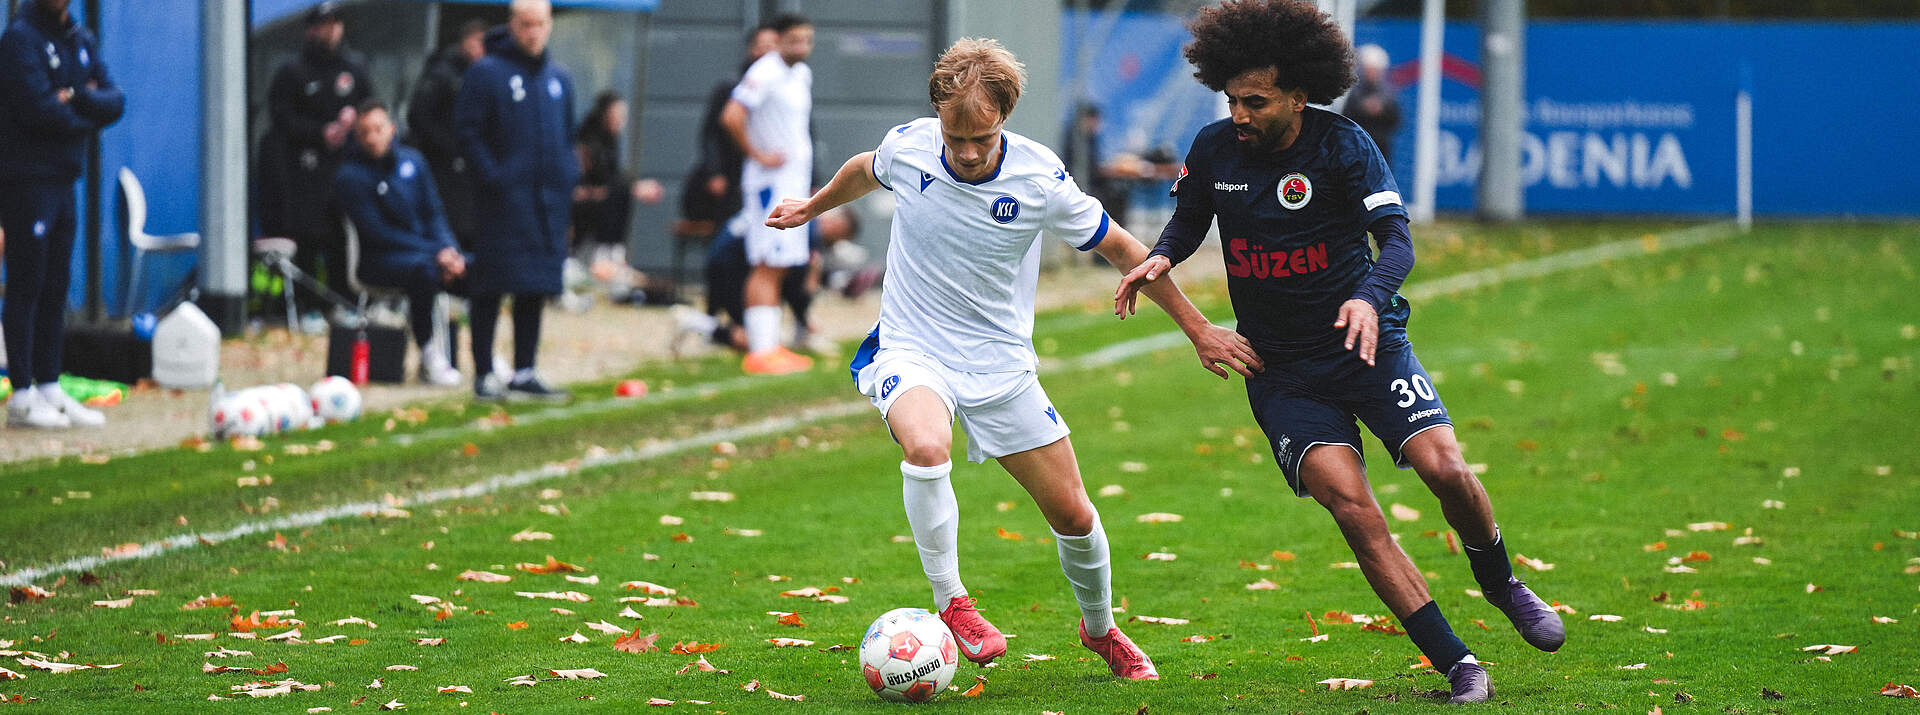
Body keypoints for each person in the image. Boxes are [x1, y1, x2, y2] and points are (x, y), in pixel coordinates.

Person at [765, 37, 1256, 681]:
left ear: (1006, 119)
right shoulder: (909, 145)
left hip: (999, 365)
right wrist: (812, 205)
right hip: (911, 347)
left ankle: (1101, 628)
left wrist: (1197, 329)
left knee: (1075, 514)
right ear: (937, 115)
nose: (967, 152)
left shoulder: (1039, 177)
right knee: (925, 447)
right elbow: (865, 167)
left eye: (983, 138)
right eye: (955, 137)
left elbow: (1126, 249)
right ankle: (954, 603)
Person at [1114, 1, 1563, 703]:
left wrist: (1366, 297)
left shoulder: (1344, 144)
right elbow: (1188, 222)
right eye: (1231, 98)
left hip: (1367, 346)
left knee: (1444, 467)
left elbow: (1399, 242)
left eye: (1254, 101)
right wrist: (1159, 259)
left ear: (1299, 93)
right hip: (1282, 371)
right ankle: (1458, 663)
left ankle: (1500, 578)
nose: (1239, 112)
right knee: (1354, 508)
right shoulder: (1213, 149)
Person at [0, 0, 122, 429]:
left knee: (56, 284)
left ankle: (50, 384)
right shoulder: (19, 39)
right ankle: (22, 393)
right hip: (26, 178)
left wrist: (77, 98)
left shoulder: (79, 36)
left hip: (65, 177)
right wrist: (85, 112)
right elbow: (36, 109)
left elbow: (114, 99)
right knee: (26, 282)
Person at [454, 0, 577, 401]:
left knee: (534, 287)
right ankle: (485, 373)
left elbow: (567, 136)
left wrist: (566, 180)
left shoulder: (559, 78)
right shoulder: (487, 72)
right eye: (525, 24)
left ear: (550, 24)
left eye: (539, 24)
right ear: (511, 25)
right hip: (501, 204)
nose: (533, 32)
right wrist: (494, 177)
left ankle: (525, 370)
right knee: (490, 286)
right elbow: (467, 133)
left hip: (547, 205)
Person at [334, 101, 469, 387]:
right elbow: (378, 234)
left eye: (378, 129)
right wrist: (435, 254)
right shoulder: (350, 177)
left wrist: (449, 250)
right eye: (365, 132)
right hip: (377, 260)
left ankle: (487, 355)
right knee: (423, 272)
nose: (372, 137)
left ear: (392, 129)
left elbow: (434, 213)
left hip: (426, 254)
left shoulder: (414, 162)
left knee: (478, 268)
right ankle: (430, 355)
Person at [258, 1, 372, 324]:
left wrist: (356, 120)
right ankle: (308, 307)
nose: (332, 30)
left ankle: (343, 303)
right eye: (325, 24)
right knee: (307, 239)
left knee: (341, 240)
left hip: (346, 172)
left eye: (337, 23)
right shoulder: (293, 71)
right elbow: (281, 119)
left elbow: (373, 108)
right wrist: (322, 132)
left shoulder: (355, 68)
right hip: (303, 173)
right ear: (311, 29)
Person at [721, 12, 816, 375]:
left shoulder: (801, 74)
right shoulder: (764, 71)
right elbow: (732, 115)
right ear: (777, 40)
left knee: (780, 265)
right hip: (768, 183)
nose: (801, 47)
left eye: (807, 40)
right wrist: (758, 154)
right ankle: (761, 351)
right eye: (794, 40)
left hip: (792, 181)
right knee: (766, 261)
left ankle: (771, 346)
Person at [688, 206, 858, 354]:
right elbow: (798, 285)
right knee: (761, 340)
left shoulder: (797, 213)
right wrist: (804, 321)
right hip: (734, 268)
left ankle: (706, 326)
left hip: (723, 260)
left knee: (762, 332)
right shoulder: (809, 228)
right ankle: (695, 324)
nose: (834, 243)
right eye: (840, 236)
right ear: (837, 225)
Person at [681, 25, 778, 228]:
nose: (768, 53)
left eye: (773, 46)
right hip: (732, 178)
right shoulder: (731, 87)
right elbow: (713, 132)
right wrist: (714, 171)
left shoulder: (788, 87)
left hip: (770, 176)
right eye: (763, 46)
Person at [571, 90, 663, 301]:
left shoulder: (611, 141)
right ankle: (604, 256)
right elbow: (595, 180)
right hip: (582, 203)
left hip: (602, 200)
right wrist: (632, 187)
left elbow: (612, 178)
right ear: (605, 114)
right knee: (619, 193)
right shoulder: (587, 139)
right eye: (617, 114)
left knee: (621, 194)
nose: (621, 121)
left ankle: (613, 255)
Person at [407, 19, 488, 251]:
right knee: (450, 223)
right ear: (465, 42)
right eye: (477, 42)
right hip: (443, 165)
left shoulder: (482, 74)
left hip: (469, 166)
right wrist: (449, 145)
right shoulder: (442, 72)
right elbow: (418, 116)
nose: (481, 49)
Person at [1346, 43, 1401, 163]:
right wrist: (1363, 109)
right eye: (1369, 69)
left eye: (1375, 69)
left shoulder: (1388, 94)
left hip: (1381, 149)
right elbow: (1346, 118)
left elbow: (1396, 121)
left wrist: (1382, 110)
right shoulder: (1355, 92)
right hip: (1357, 147)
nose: (1372, 72)